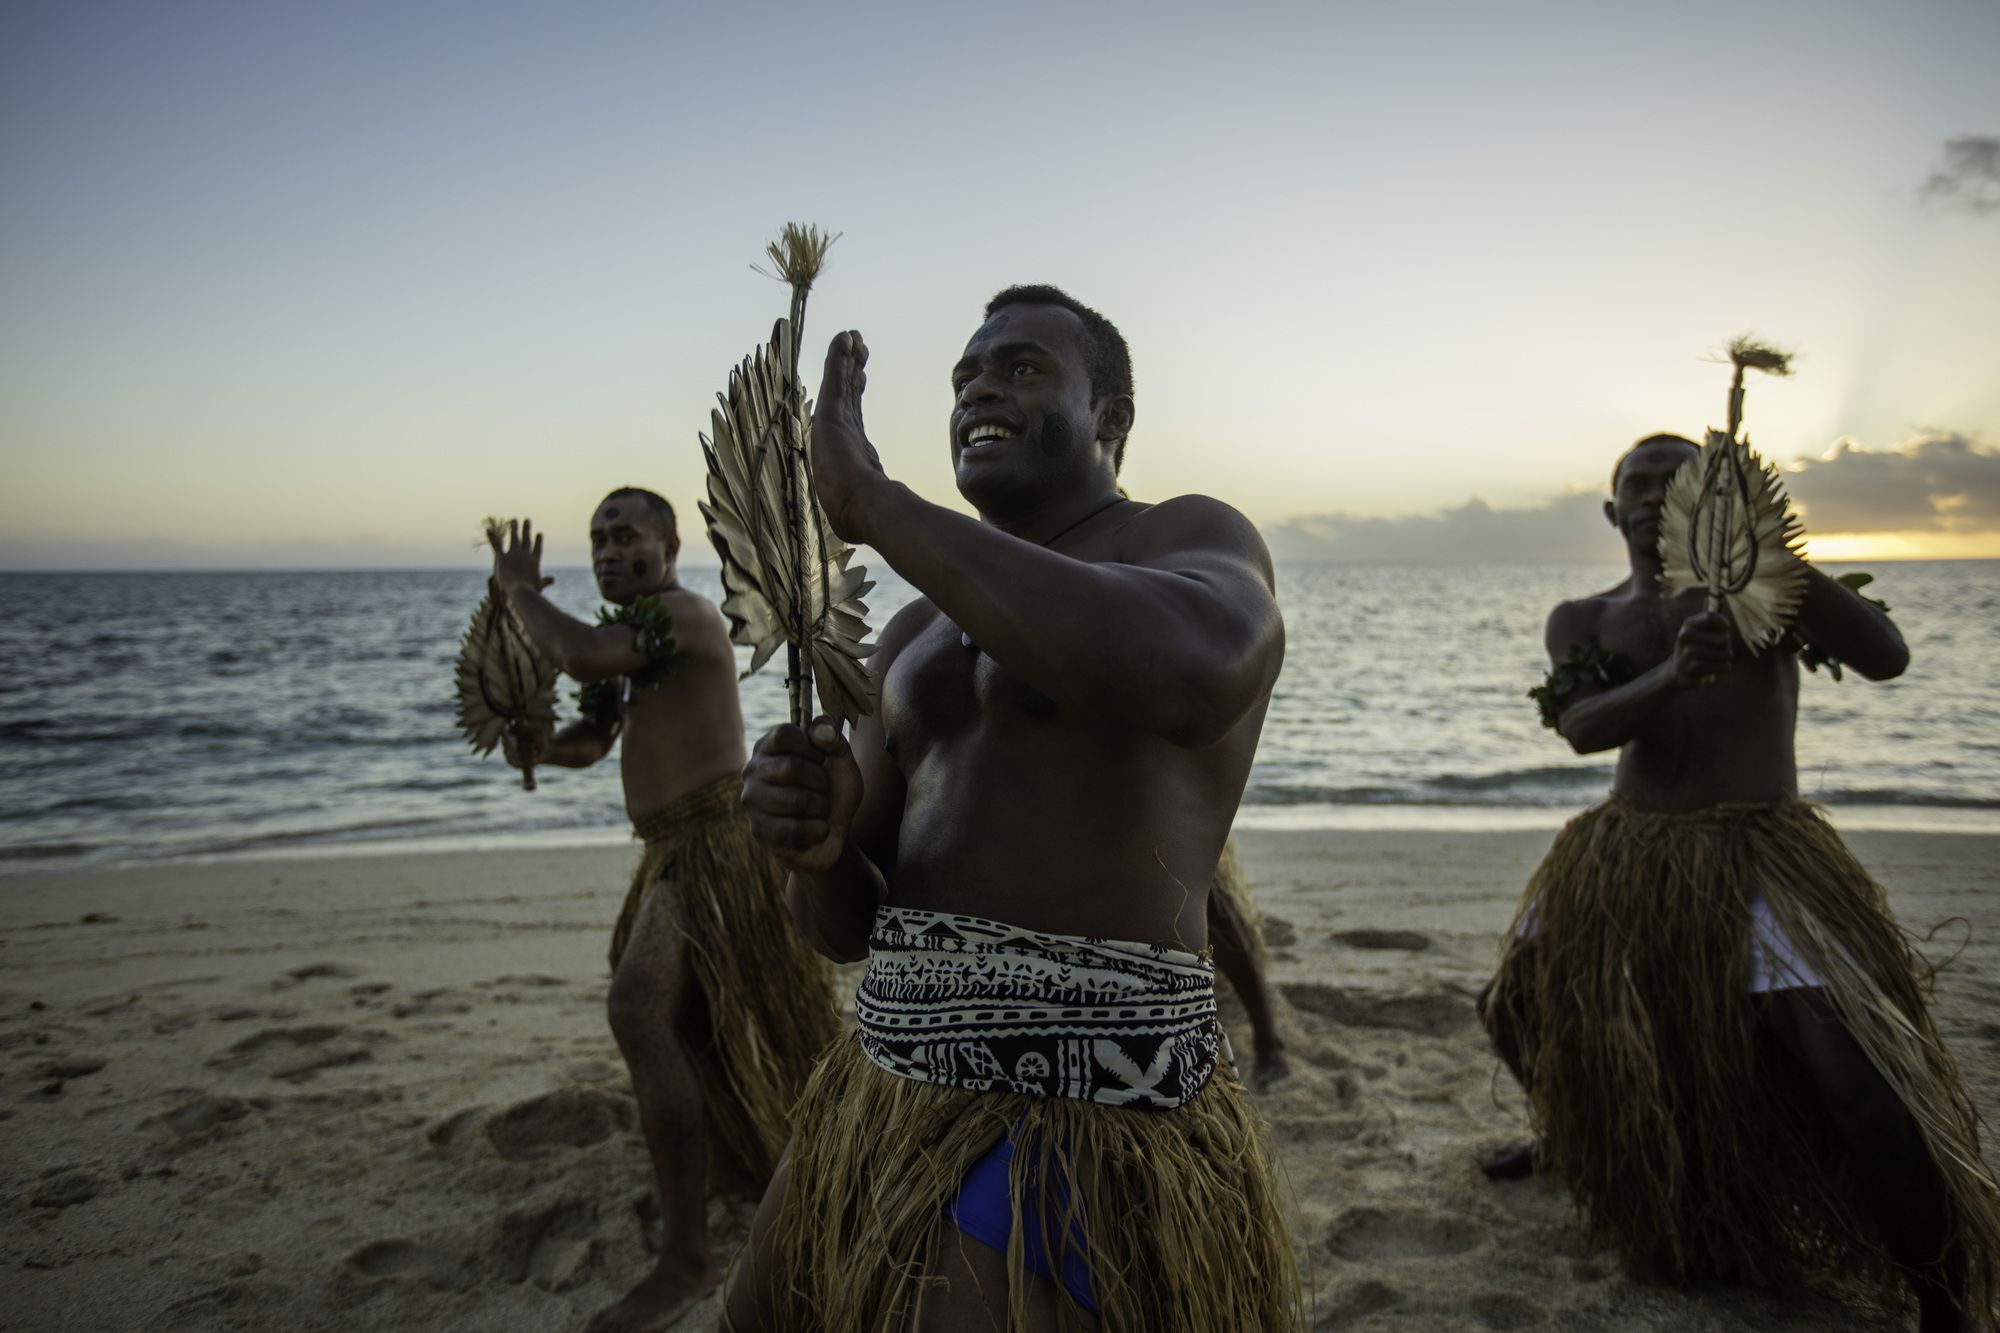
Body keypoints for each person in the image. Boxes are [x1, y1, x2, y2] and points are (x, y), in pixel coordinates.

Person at [723, 287, 1301, 1331]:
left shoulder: (1184, 538)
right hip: (890, 1080)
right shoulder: (909, 634)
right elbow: (843, 929)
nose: (978, 389)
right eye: (964, 377)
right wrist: (815, 847)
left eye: (1022, 368)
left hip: (1085, 1108)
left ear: (1112, 418)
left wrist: (876, 505)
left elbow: (1200, 673)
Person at [1480, 433, 2000, 1331]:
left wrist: (1773, 557)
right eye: (1637, 482)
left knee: (1856, 1087)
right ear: (1611, 509)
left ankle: (1943, 1300)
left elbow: (1887, 656)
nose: (1655, 494)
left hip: (1762, 855)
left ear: (1708, 495)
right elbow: (1582, 726)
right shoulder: (1585, 617)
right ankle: (1565, 1137)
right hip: (1627, 850)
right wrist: (1674, 674)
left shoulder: (1770, 590)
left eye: (1677, 477)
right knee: (1509, 1006)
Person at [488, 492, 839, 1331]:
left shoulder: (680, 616)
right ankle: (733, 1157)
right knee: (676, 1019)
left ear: (670, 545)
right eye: (598, 540)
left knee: (638, 1008)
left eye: (625, 536)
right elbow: (591, 739)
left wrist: (517, 590)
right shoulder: (634, 642)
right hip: (671, 851)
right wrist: (541, 746)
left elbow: (577, 654)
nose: (608, 551)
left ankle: (687, 1259)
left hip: (714, 847)